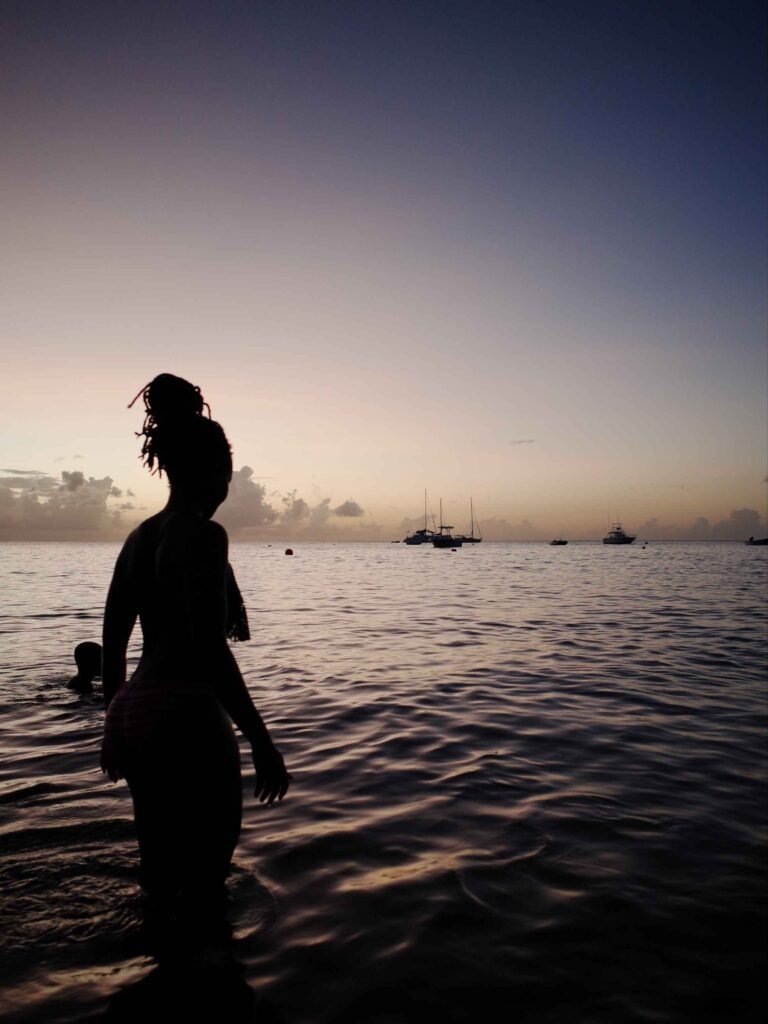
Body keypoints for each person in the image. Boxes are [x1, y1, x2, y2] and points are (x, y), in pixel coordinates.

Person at [100, 373, 290, 927]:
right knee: (208, 882)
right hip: (185, 711)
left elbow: (114, 640)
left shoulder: (138, 538)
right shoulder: (205, 536)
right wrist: (261, 740)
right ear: (216, 470)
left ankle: (154, 977)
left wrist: (114, 719)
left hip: (135, 709)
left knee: (158, 874)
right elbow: (209, 649)